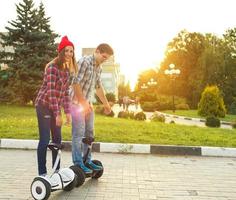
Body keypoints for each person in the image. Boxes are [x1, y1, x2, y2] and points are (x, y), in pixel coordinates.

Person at [34, 36, 77, 176]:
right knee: (45, 139)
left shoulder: (66, 70)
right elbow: (52, 93)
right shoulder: (52, 67)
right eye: (67, 51)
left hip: (54, 107)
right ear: (61, 52)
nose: (69, 54)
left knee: (57, 139)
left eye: (71, 51)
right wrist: (58, 114)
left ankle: (56, 171)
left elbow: (64, 94)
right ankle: (42, 173)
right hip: (44, 105)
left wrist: (68, 113)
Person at [71, 43, 114, 174]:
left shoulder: (98, 68)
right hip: (76, 103)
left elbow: (98, 87)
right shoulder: (84, 62)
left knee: (89, 133)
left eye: (107, 59)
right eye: (104, 57)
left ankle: (87, 160)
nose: (104, 60)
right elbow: (74, 82)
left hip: (87, 104)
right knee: (78, 134)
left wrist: (106, 104)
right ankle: (78, 163)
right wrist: (83, 103)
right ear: (97, 51)